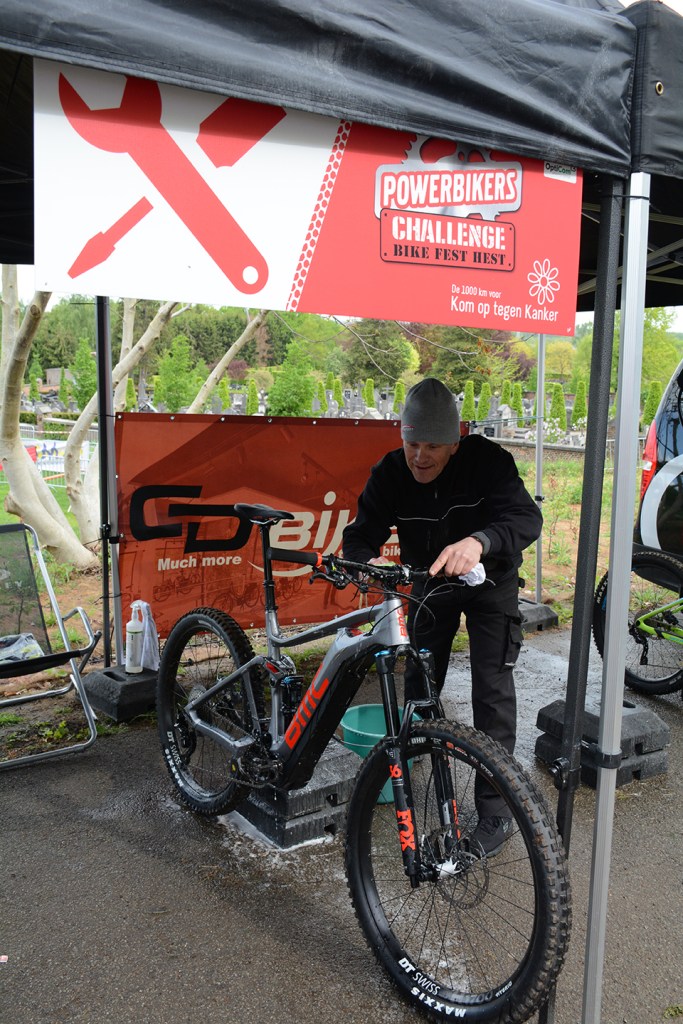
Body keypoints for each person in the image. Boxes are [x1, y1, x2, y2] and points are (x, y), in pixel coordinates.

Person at [342, 377, 542, 855]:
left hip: (491, 583)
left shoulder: (488, 462)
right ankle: (419, 770)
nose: (420, 456)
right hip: (430, 582)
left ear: (455, 442)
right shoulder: (391, 471)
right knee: (420, 681)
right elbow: (359, 534)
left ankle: (496, 811)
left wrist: (480, 542)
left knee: (491, 691)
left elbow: (526, 519)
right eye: (412, 443)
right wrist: (367, 561)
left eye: (433, 446)